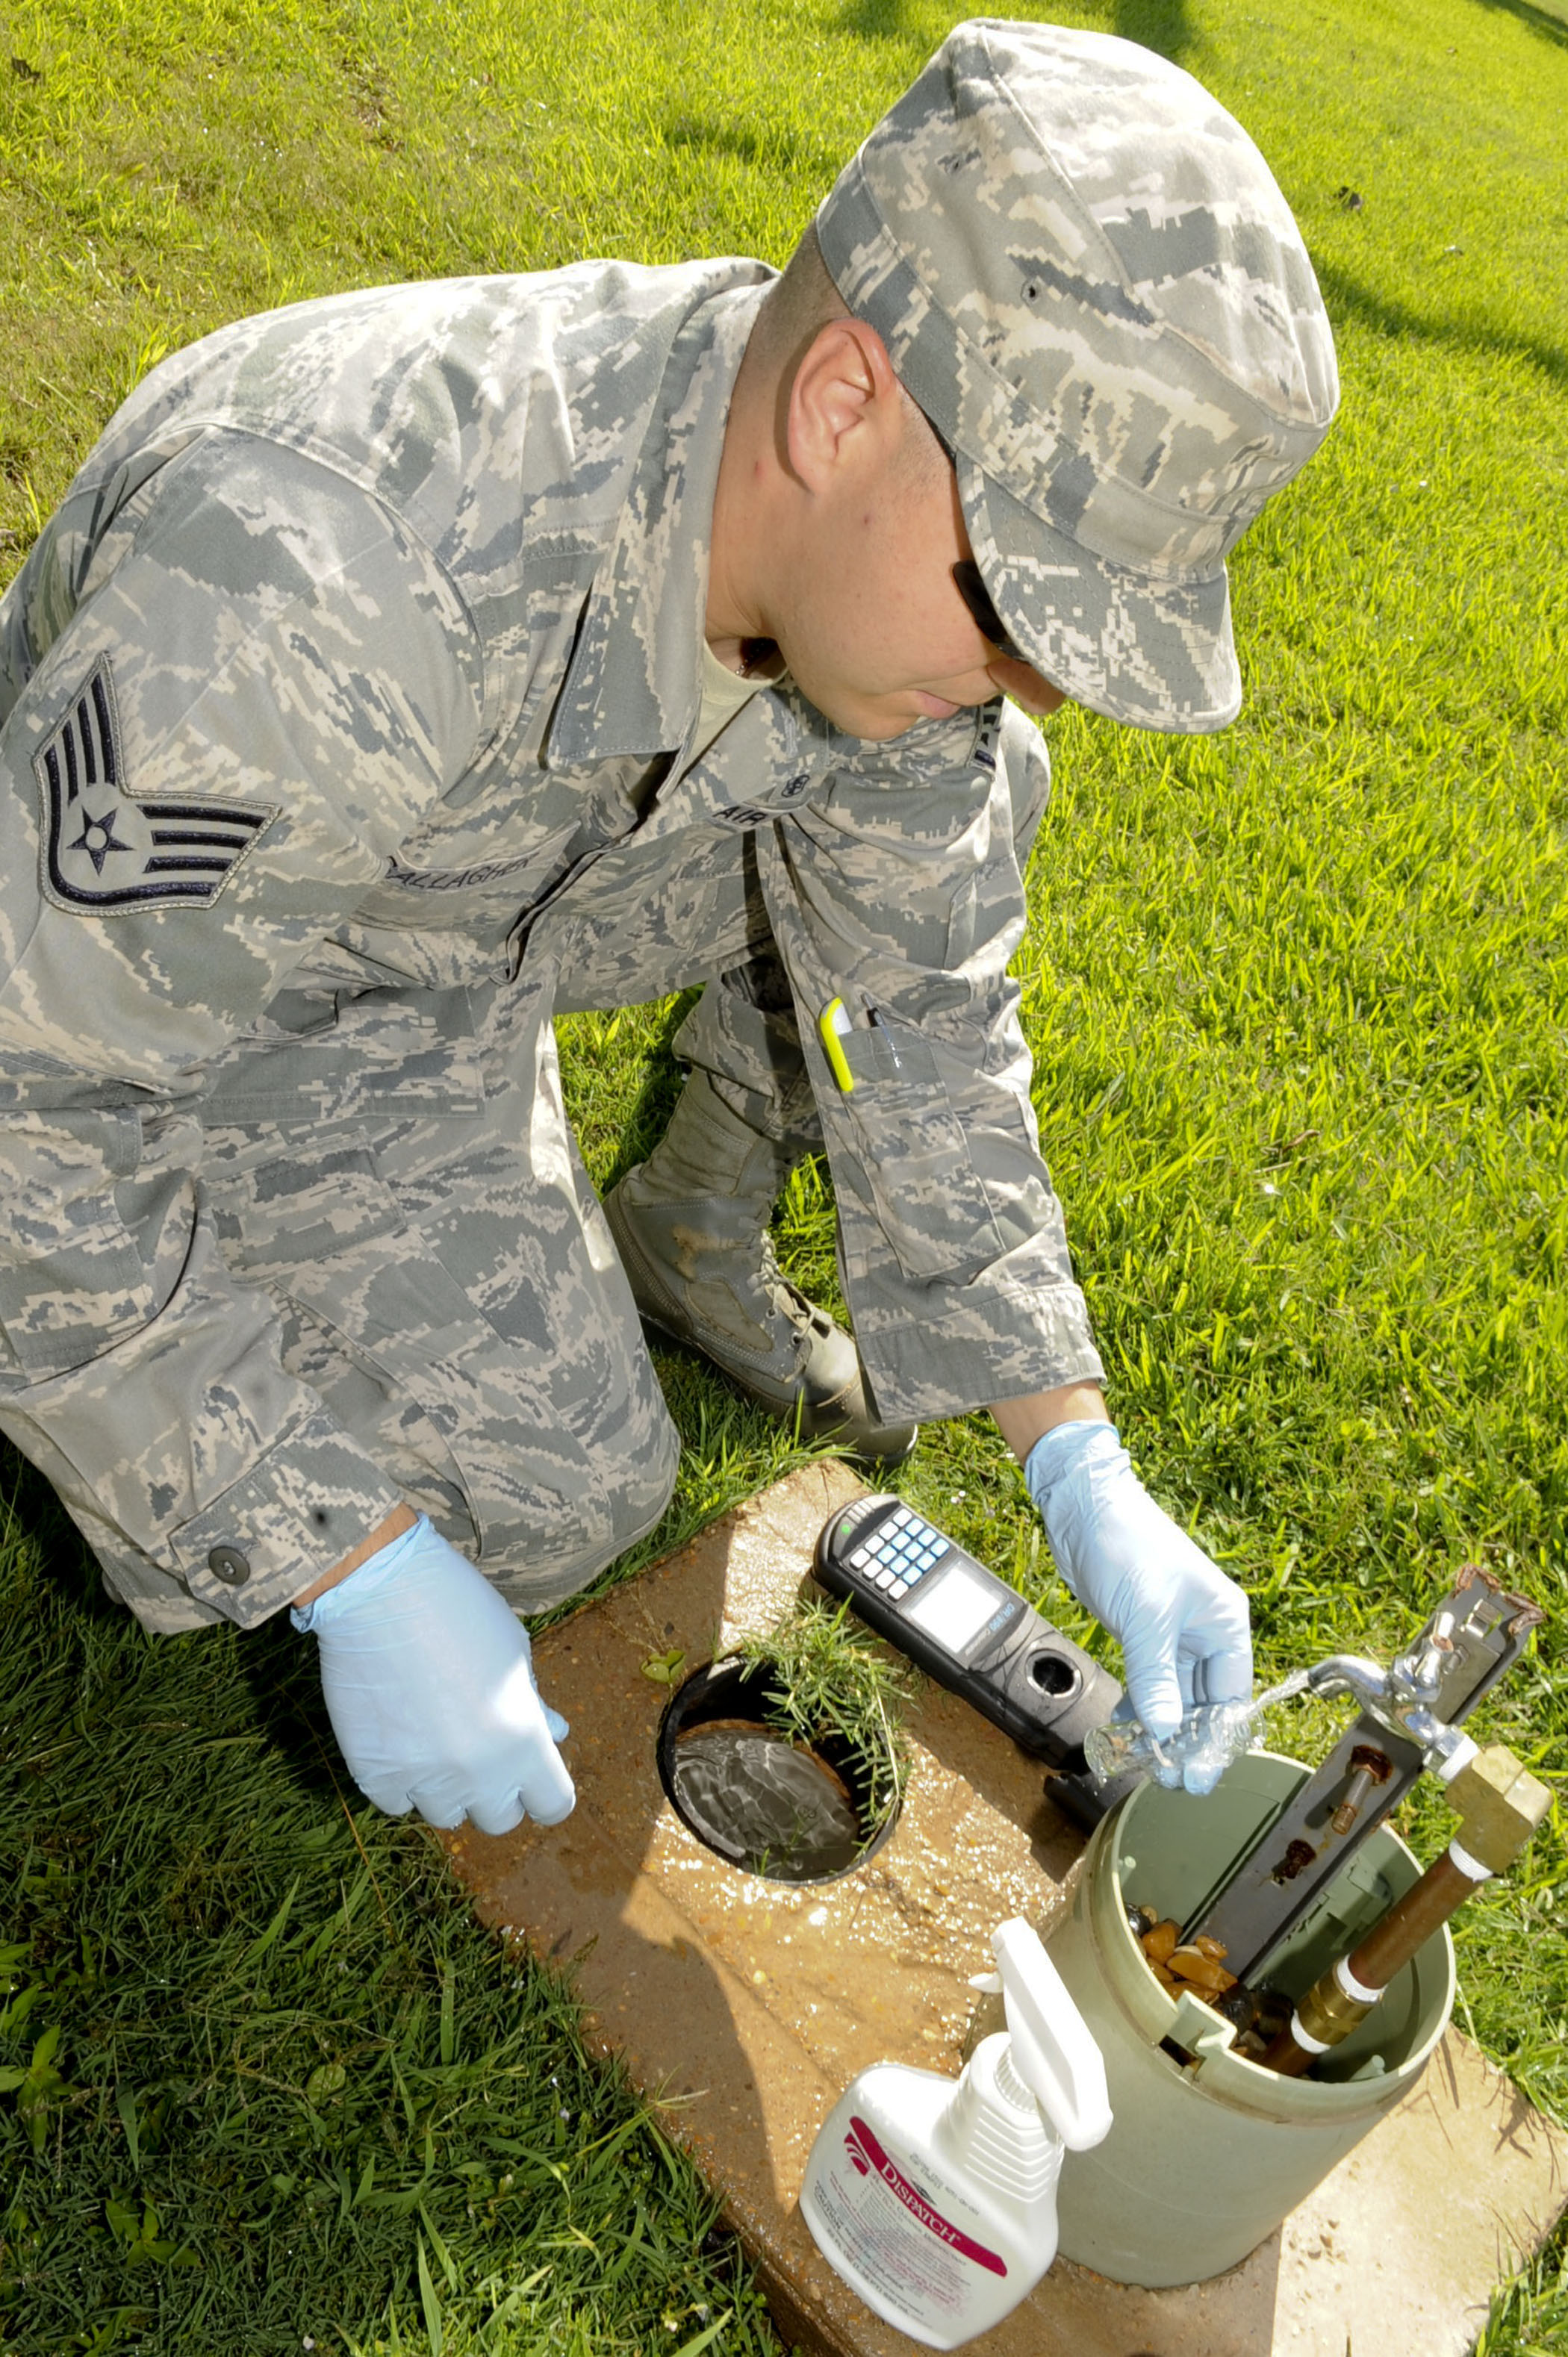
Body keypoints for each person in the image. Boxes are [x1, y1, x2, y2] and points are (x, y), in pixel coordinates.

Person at [0, 22, 1337, 1837]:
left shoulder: (851, 577)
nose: (1041, 674)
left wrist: (1070, 1441)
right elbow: (26, 1103)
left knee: (980, 783)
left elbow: (920, 1000)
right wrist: (345, 1553)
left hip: (467, 911)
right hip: (222, 976)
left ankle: (680, 1224)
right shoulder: (320, 588)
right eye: (1025, 596)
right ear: (842, 401)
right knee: (544, 1499)